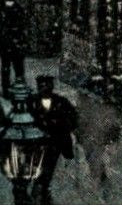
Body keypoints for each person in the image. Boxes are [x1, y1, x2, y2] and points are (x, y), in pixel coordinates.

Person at [30, 75, 78, 204]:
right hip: (37, 146)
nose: (45, 89)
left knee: (53, 174)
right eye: (42, 86)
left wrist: (61, 127)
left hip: (58, 146)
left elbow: (73, 120)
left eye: (47, 86)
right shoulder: (31, 103)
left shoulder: (61, 102)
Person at [0, 0, 28, 91]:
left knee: (7, 68)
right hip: (15, 45)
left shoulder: (2, 11)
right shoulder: (18, 10)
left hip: (6, 45)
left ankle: (6, 88)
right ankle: (19, 86)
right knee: (18, 68)